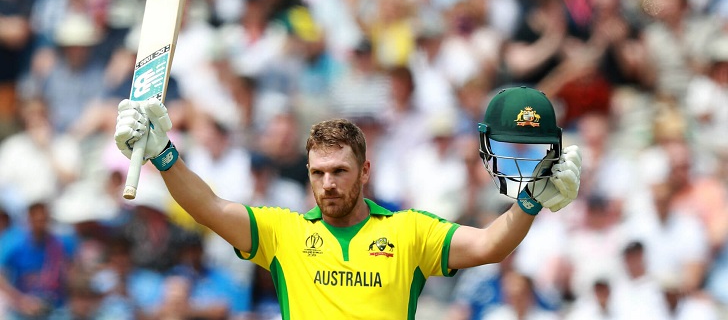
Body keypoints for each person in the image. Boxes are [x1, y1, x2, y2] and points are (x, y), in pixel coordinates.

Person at [113, 85, 581, 318]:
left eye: (339, 172)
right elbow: (209, 208)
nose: (328, 184)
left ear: (365, 173)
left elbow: (488, 246)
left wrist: (530, 203)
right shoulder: (285, 232)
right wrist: (163, 154)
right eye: (318, 174)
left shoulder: (409, 230)